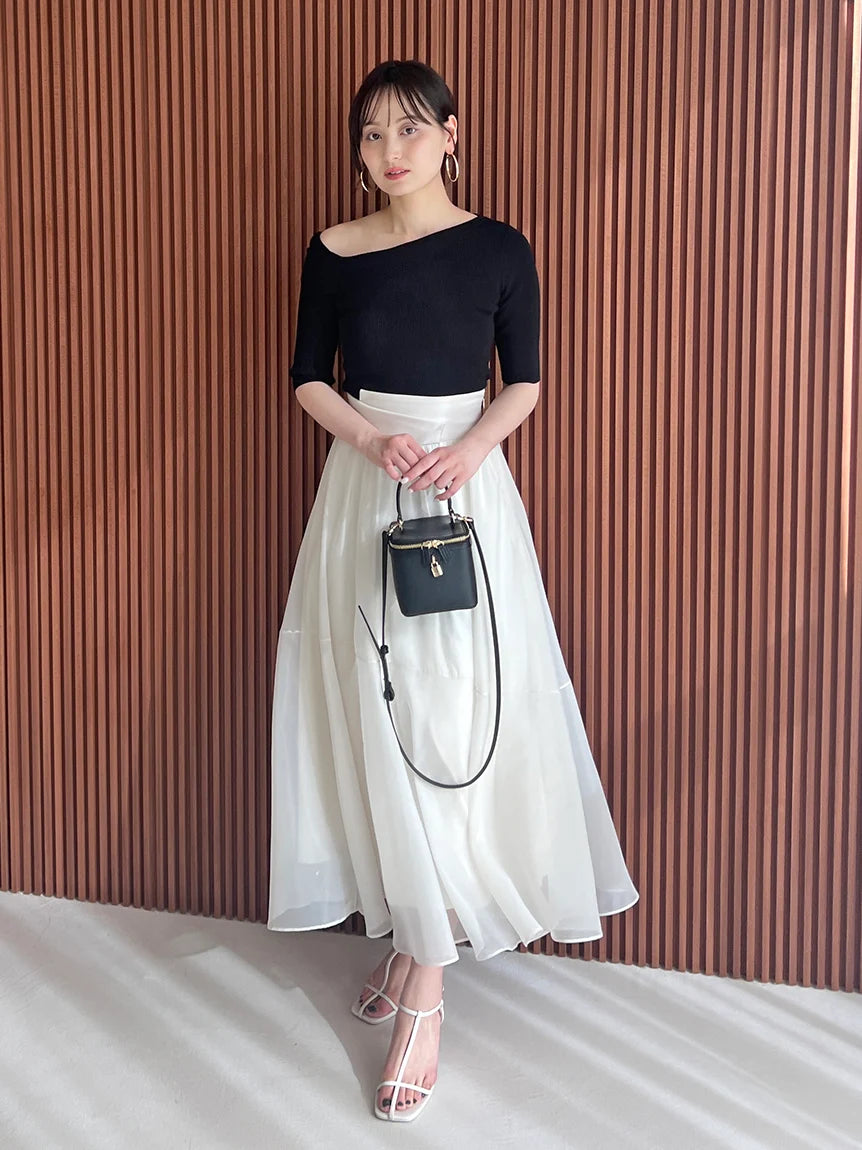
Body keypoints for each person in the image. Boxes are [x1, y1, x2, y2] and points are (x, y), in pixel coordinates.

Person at [267, 59, 639, 1122]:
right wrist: (369, 439)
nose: (390, 151)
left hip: (464, 497)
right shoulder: (335, 249)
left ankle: (425, 984)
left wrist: (470, 447)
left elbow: (523, 381)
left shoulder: (499, 248)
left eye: (410, 129)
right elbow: (307, 374)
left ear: (450, 133)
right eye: (372, 133)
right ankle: (410, 930)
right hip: (363, 491)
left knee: (450, 713)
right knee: (375, 712)